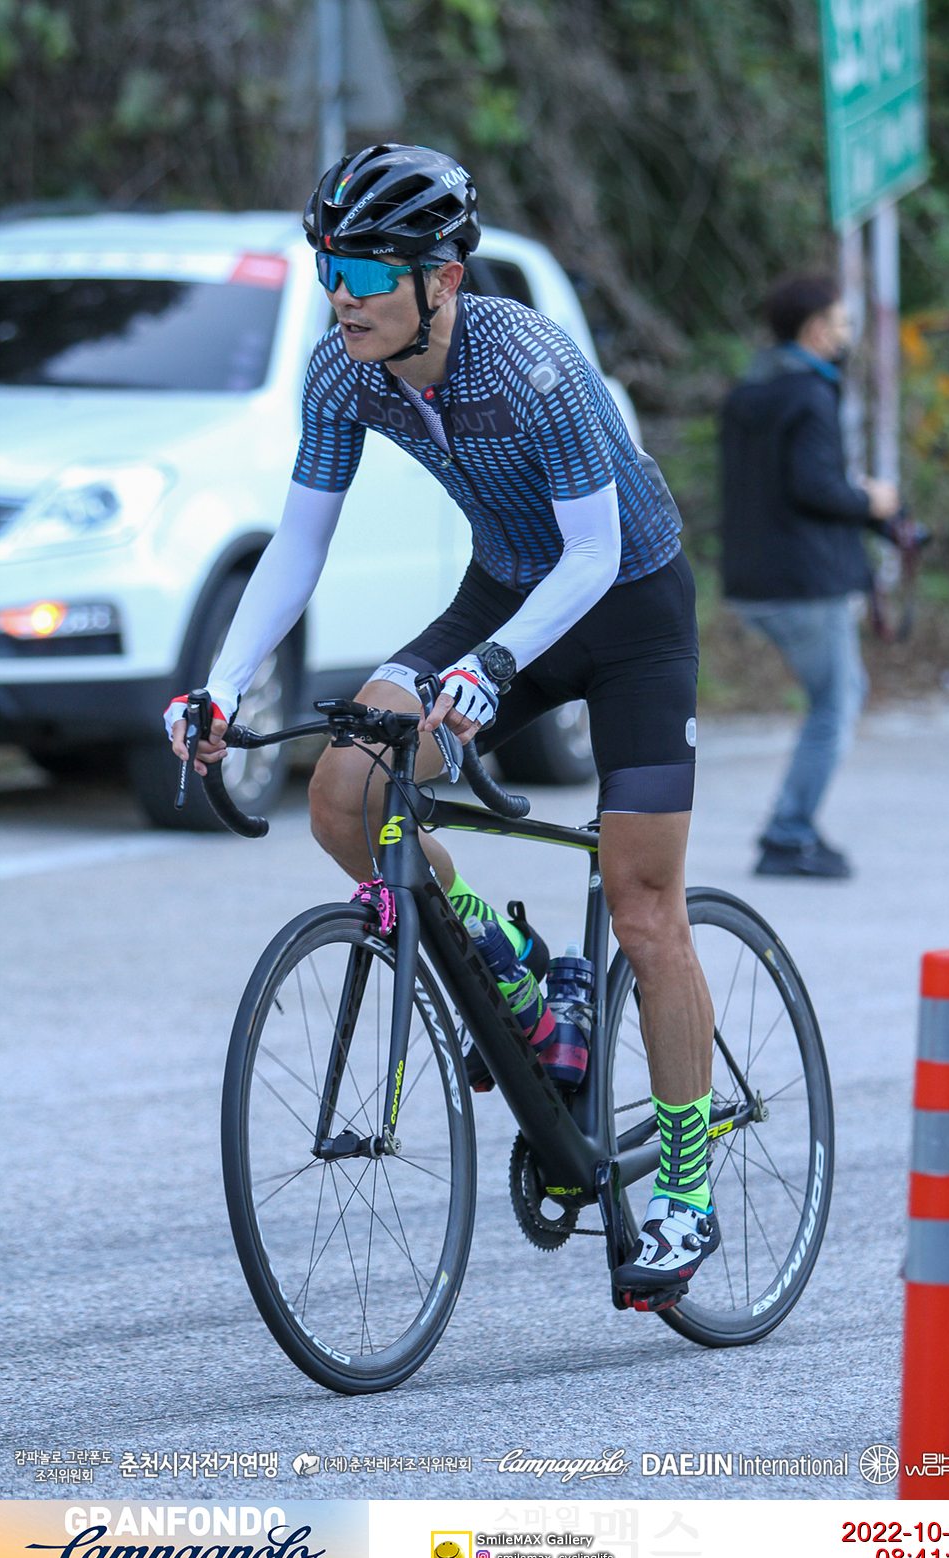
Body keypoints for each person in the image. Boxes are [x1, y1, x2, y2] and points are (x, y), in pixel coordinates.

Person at [165, 144, 718, 1301]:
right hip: (503, 590)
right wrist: (220, 683)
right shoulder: (343, 371)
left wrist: (493, 664)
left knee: (643, 906)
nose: (343, 295)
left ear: (444, 278)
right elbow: (299, 543)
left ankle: (684, 1182)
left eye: (369, 271)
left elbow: (595, 552)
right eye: (331, 268)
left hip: (627, 609)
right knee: (344, 794)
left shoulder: (531, 366)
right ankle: (518, 979)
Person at [720, 274, 899, 878]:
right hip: (804, 581)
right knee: (837, 703)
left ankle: (792, 828)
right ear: (817, 329)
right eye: (843, 324)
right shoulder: (811, 394)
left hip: (753, 579)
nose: (848, 335)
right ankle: (789, 834)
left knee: (839, 694)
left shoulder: (749, 390)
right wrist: (872, 500)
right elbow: (814, 487)